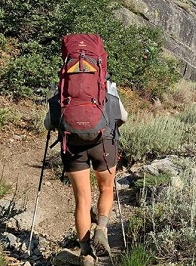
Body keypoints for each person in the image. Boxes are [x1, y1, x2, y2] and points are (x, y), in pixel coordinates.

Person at [44, 79, 128, 266]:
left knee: (82, 200)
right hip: (104, 144)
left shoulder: (64, 87)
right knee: (106, 188)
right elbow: (123, 117)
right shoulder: (105, 85)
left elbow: (49, 124)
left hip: (73, 148)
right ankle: (101, 229)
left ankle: (86, 254)